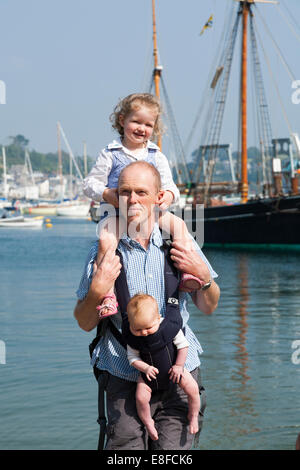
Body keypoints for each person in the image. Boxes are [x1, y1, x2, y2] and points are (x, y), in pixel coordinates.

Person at [74, 160, 220, 450]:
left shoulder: (180, 243)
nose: (133, 199)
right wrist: (98, 289)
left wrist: (203, 277)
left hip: (180, 369)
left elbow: (209, 306)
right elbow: (84, 321)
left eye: (142, 191)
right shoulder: (103, 251)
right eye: (126, 191)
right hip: (123, 371)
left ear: (158, 197)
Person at [82, 93, 205, 318]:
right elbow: (89, 184)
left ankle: (188, 273)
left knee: (179, 226)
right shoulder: (111, 154)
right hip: (117, 212)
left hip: (151, 214)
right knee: (106, 241)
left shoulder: (155, 155)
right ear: (122, 121)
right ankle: (108, 294)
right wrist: (106, 193)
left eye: (148, 124)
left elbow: (171, 186)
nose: (142, 128)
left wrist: (168, 195)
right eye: (136, 122)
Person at [125, 293, 201, 441]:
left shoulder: (168, 328)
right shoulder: (133, 338)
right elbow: (132, 358)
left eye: (148, 327)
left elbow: (183, 346)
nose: (143, 333)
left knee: (193, 389)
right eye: (137, 329)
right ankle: (148, 422)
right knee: (140, 397)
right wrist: (145, 368)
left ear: (158, 318)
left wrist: (179, 366)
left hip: (174, 371)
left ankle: (193, 415)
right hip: (148, 376)